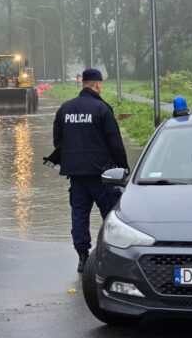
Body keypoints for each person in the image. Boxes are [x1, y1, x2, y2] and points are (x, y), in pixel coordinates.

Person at [51, 68, 129, 272]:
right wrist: (124, 169)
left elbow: (58, 141)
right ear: (97, 84)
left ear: (82, 83)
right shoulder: (102, 108)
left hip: (76, 176)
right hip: (103, 175)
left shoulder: (65, 108)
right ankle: (111, 256)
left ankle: (83, 257)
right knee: (112, 216)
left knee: (79, 216)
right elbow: (115, 143)